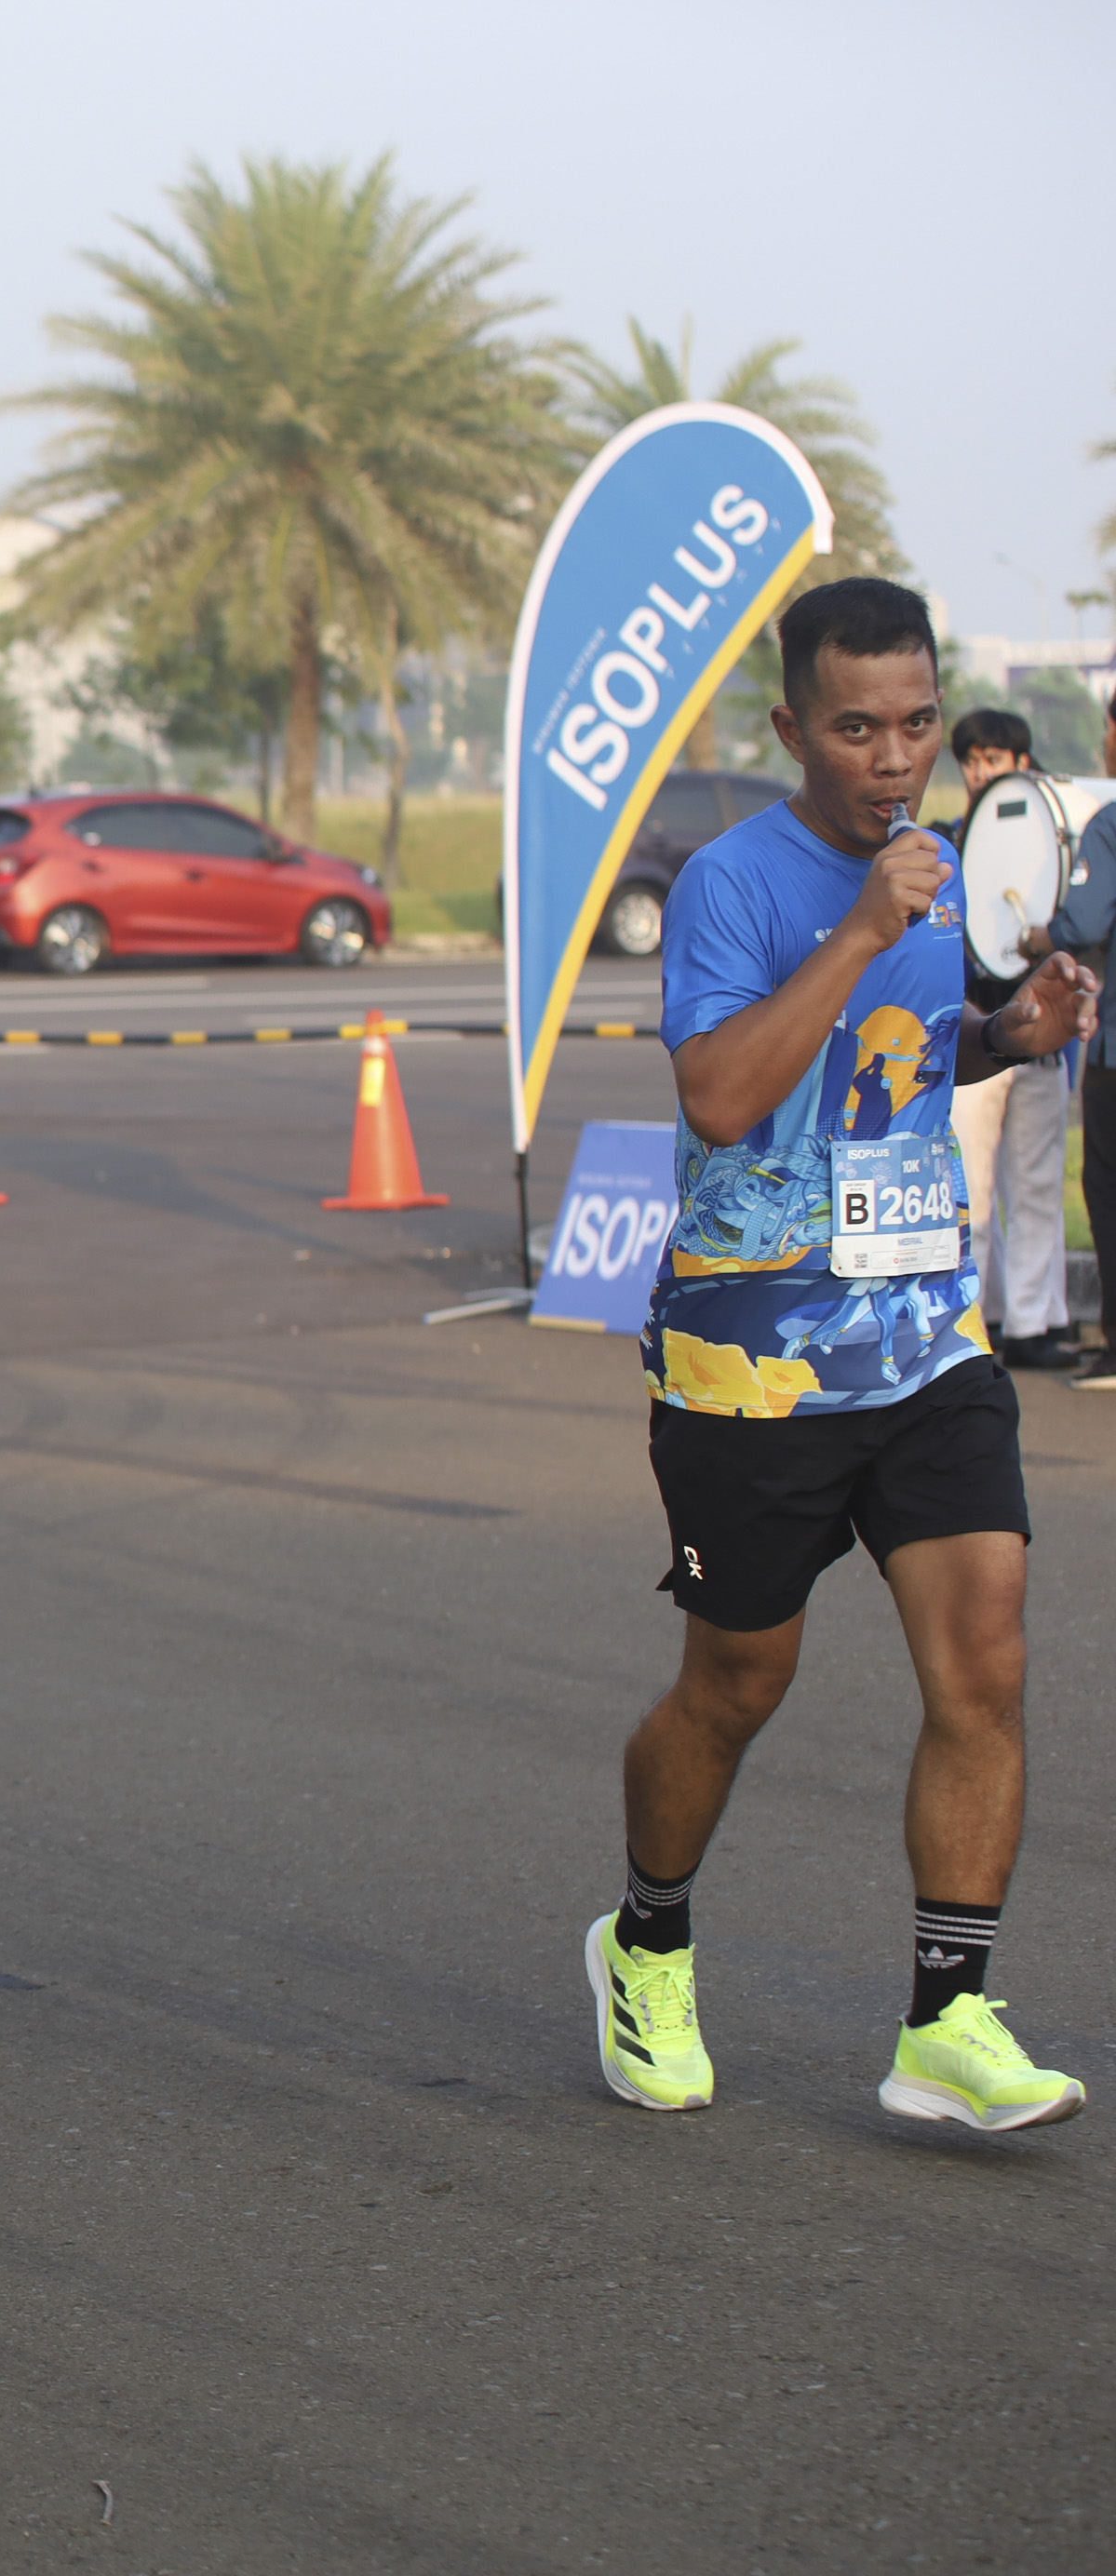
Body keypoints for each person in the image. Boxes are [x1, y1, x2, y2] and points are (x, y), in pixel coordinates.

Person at [596, 579, 1094, 2132]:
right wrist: (868, 922)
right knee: (739, 1681)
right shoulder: (734, 883)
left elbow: (902, 1058)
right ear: (792, 727)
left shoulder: (939, 877)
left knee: (987, 1656)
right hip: (753, 1358)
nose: (895, 757)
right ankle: (645, 1940)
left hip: (923, 1335)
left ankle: (949, 2018)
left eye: (918, 723)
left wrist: (1008, 1035)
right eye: (859, 728)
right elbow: (723, 1095)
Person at [940, 708, 1075, 1367]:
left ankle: (1031, 1323)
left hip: (1040, 1047)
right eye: (971, 760)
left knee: (1038, 1185)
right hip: (974, 1039)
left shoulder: (1055, 844)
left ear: (1022, 764)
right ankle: (971, 1325)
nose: (980, 771)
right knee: (970, 1187)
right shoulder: (945, 843)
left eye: (993, 759)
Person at [1052, 691, 1116, 1392]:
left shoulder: (1109, 825)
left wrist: (1037, 936)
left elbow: (1082, 925)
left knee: (1107, 1187)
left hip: (1114, 1053)